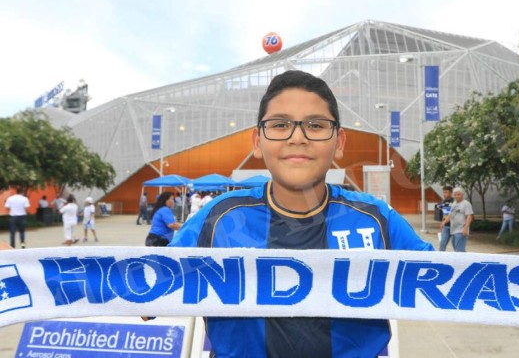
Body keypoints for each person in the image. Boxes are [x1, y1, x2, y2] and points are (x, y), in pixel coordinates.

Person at [168, 70, 434, 357]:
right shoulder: (219, 218)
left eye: (316, 125)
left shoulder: (376, 218)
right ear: (257, 141)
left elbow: (449, 282)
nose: (298, 137)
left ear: (339, 142)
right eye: (280, 124)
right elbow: (141, 288)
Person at [441, 187, 473, 252]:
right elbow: (450, 215)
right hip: (453, 230)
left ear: (462, 195)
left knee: (459, 250)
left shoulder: (466, 203)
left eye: (458, 194)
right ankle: (466, 260)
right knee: (457, 249)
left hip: (461, 230)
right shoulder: (454, 203)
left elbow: (469, 217)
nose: (456, 196)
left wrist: (465, 229)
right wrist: (444, 222)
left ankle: (462, 261)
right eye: (455, 194)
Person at [437, 186, 455, 251]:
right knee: (442, 243)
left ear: (451, 193)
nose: (444, 194)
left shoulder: (454, 202)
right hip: (446, 226)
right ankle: (440, 258)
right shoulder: (443, 202)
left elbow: (451, 214)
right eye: (444, 192)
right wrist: (442, 223)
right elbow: (444, 215)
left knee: (456, 245)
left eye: (446, 192)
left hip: (454, 226)